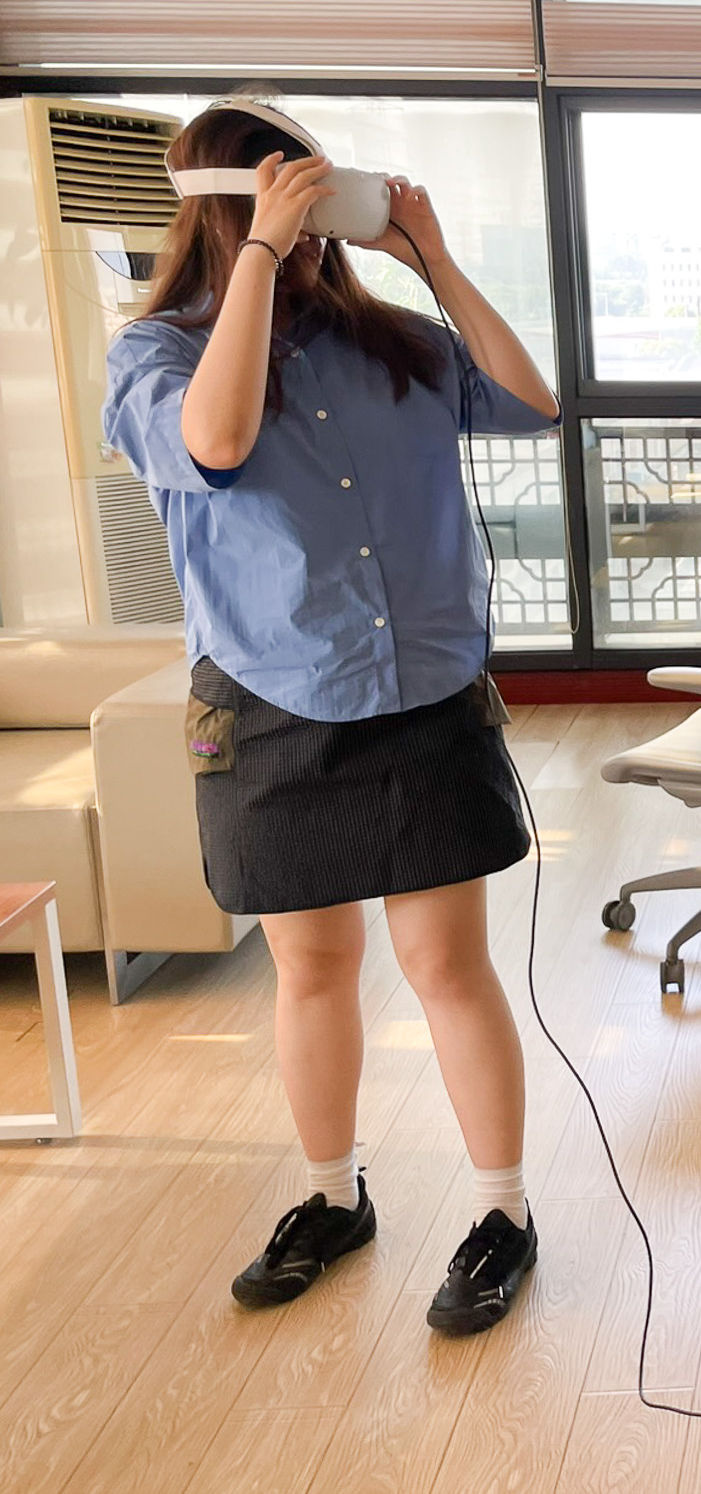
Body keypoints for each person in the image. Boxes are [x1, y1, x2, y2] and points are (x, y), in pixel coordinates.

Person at [103, 100, 559, 1335]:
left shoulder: (398, 340)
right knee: (311, 966)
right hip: (268, 700)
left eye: (309, 207)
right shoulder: (153, 361)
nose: (304, 233)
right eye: (273, 206)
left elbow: (531, 401)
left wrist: (432, 257)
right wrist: (258, 254)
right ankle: (331, 1196)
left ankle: (504, 1216)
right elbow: (220, 436)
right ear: (221, 212)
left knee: (445, 967)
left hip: (420, 697)